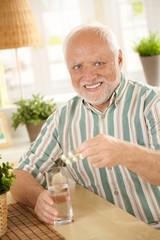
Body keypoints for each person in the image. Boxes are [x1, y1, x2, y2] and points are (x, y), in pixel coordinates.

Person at [11, 22, 160, 228]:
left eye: (98, 63)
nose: (88, 76)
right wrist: (37, 198)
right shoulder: (62, 119)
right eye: (78, 66)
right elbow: (19, 176)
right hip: (101, 232)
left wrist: (124, 152)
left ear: (119, 59)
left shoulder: (153, 103)